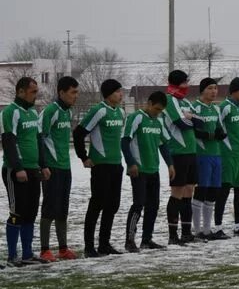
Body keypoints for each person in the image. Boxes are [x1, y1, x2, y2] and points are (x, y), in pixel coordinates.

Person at [73, 78, 125, 257]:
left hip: (116, 164)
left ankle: (104, 244)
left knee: (112, 205)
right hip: (100, 165)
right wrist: (84, 157)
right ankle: (89, 247)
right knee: (97, 204)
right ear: (109, 94)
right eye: (118, 91)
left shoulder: (120, 112)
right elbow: (79, 133)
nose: (121, 94)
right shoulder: (99, 110)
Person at [2, 77, 50, 266]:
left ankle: (28, 254)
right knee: (17, 212)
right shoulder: (11, 112)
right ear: (21, 91)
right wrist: (18, 167)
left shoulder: (32, 112)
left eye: (36, 91)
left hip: (34, 170)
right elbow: (9, 141)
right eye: (33, 91)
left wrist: (43, 164)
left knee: (31, 212)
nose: (36, 95)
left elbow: (38, 140)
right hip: (16, 171)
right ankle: (12, 256)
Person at [121, 91, 175, 252]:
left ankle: (147, 239)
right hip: (139, 170)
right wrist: (131, 163)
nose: (158, 113)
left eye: (161, 111)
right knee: (138, 204)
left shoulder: (158, 122)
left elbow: (163, 144)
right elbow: (124, 142)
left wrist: (170, 165)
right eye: (156, 109)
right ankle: (129, 240)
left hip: (153, 169)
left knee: (153, 205)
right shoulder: (136, 117)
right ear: (149, 103)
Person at [39, 76, 79, 261]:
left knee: (63, 208)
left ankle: (63, 248)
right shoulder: (50, 111)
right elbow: (40, 137)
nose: (75, 96)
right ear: (61, 93)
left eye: (76, 92)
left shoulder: (68, 112)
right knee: (49, 207)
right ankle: (45, 249)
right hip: (51, 168)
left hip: (65, 166)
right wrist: (43, 164)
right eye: (73, 92)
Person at [163, 70, 201, 244]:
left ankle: (186, 233)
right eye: (185, 83)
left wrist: (191, 117)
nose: (188, 86)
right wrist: (191, 119)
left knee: (188, 191)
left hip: (191, 151)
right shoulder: (170, 100)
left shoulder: (185, 101)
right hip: (178, 152)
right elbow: (181, 123)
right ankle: (173, 235)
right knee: (177, 192)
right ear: (178, 84)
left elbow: (200, 121)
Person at [192, 78, 228, 240]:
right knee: (202, 189)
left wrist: (218, 134)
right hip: (202, 155)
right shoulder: (196, 107)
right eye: (210, 88)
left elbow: (220, 129)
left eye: (215, 88)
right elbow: (197, 132)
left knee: (214, 191)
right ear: (202, 91)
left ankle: (207, 229)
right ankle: (197, 229)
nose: (214, 91)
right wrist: (212, 135)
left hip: (216, 155)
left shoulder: (215, 109)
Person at [215, 77, 239, 236]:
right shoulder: (224, 107)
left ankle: (238, 226)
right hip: (227, 155)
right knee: (224, 191)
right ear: (234, 91)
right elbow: (217, 128)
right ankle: (218, 227)